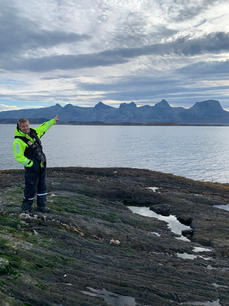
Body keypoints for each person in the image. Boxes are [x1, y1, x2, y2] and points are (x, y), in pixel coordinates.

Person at [13, 115, 58, 213]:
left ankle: (41, 206)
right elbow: (18, 156)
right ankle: (26, 208)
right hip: (32, 168)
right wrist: (30, 164)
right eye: (23, 126)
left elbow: (43, 127)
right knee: (30, 187)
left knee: (42, 186)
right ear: (19, 127)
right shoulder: (18, 141)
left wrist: (53, 121)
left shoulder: (34, 133)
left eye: (26, 125)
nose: (25, 128)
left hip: (41, 165)